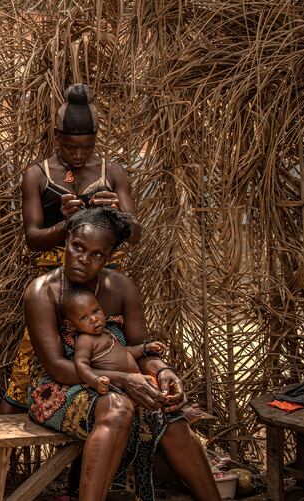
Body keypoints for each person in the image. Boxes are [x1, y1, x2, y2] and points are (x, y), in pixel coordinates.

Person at [24, 206, 220, 501]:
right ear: (66, 241)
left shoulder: (122, 288)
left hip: (120, 381)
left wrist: (163, 371)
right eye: (77, 247)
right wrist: (125, 381)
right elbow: (57, 368)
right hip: (59, 388)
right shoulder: (42, 292)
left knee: (167, 411)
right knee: (117, 407)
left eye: (96, 254)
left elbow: (143, 351)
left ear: (109, 256)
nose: (83, 259)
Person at [0, 83, 142, 414]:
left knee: (107, 348)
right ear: (57, 136)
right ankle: (4, 441)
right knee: (27, 366)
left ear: (96, 140)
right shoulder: (37, 174)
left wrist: (118, 214)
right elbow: (32, 238)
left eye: (86, 148)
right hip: (56, 283)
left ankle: (109, 409)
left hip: (102, 281)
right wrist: (68, 223)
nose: (78, 156)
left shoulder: (113, 171)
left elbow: (134, 235)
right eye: (70, 147)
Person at [63, 288, 167, 395]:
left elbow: (124, 352)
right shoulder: (85, 340)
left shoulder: (106, 333)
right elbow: (81, 365)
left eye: (96, 311)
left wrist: (145, 348)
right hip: (120, 387)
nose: (94, 319)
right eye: (84, 317)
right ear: (70, 325)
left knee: (160, 395)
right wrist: (95, 381)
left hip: (137, 380)